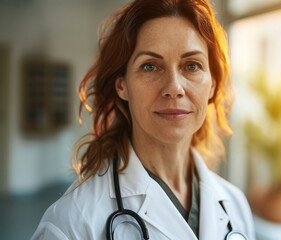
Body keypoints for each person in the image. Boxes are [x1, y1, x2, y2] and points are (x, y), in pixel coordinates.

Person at [31, 0, 255, 239]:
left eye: (192, 65)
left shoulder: (235, 205)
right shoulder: (72, 223)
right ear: (122, 86)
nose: (174, 87)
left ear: (212, 85)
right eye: (150, 66)